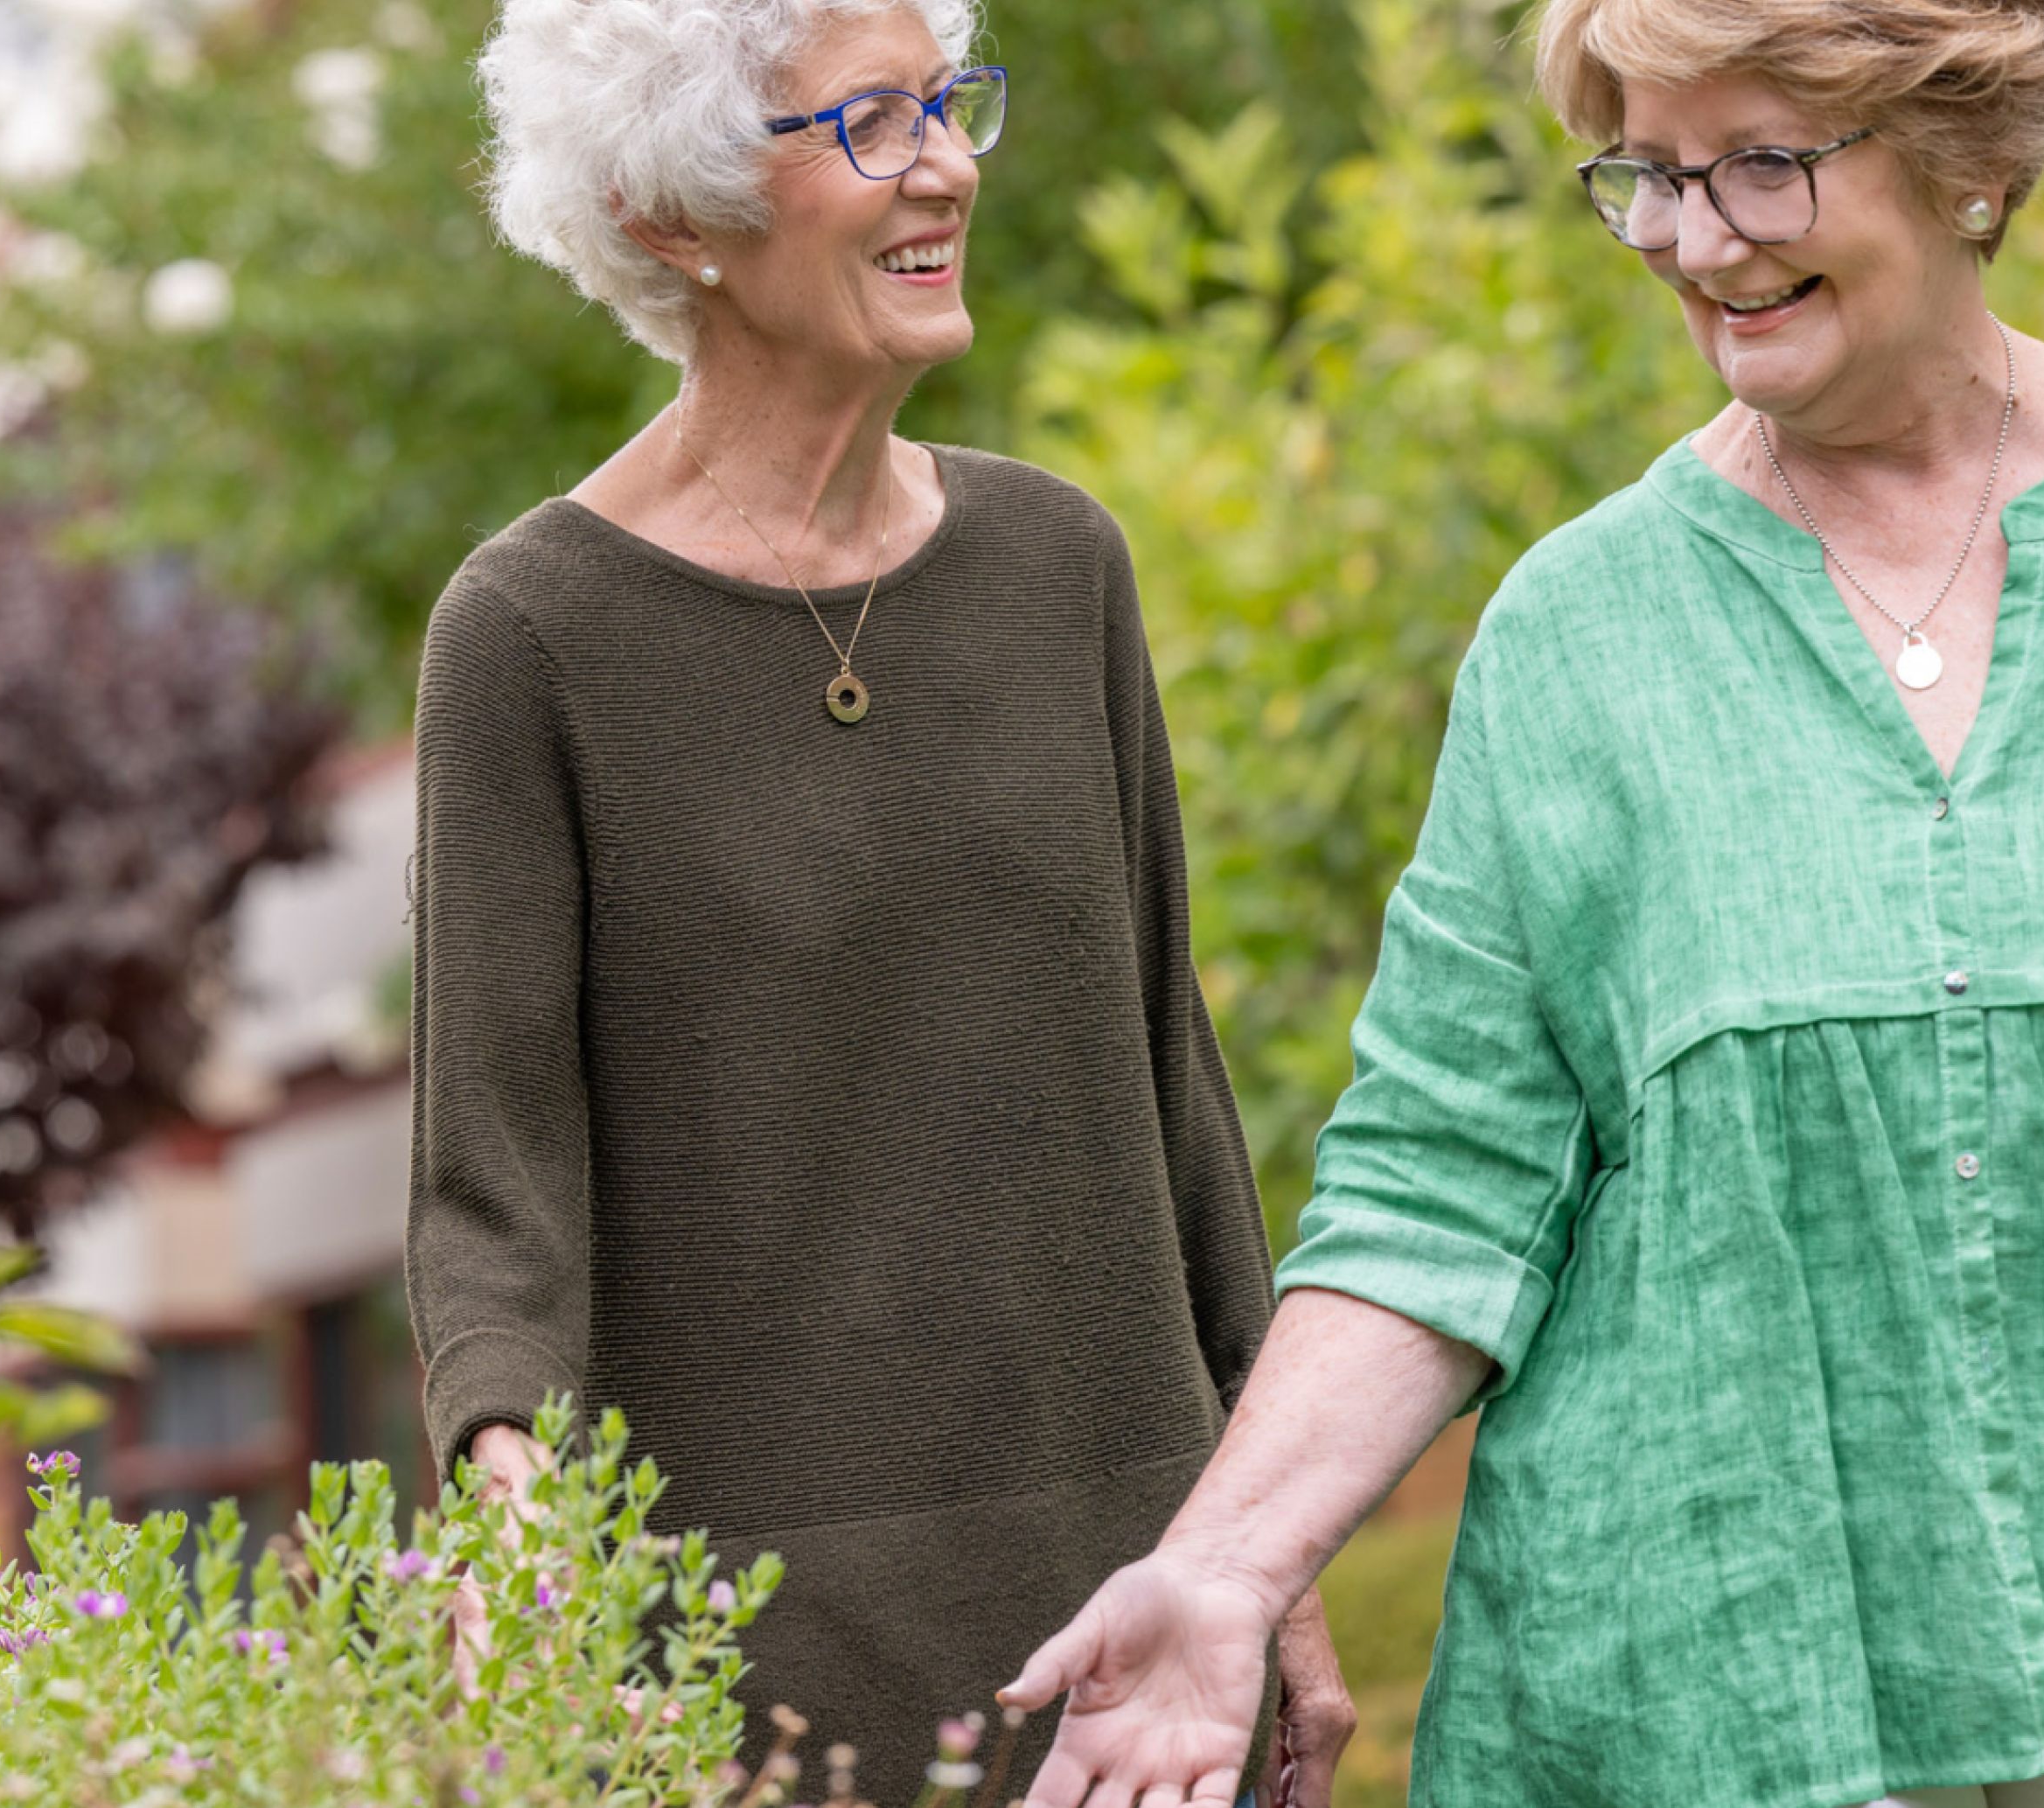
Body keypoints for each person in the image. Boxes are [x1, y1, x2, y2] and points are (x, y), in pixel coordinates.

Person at [995, 0, 2044, 1803]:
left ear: (1968, 158)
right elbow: (1442, 1185)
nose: (1697, 239)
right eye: (1652, 176)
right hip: (1730, 1702)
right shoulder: (1578, 634)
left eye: (1762, 162)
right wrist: (1225, 1560)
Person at [407, 0, 1350, 1796]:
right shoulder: (531, 637)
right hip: (759, 1653)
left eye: (950, 103)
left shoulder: (1055, 564)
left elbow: (1175, 1092)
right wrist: (515, 1524)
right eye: (870, 124)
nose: (947, 164)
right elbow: (493, 1178)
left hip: (1134, 1627)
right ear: (672, 210)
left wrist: (1265, 1541)